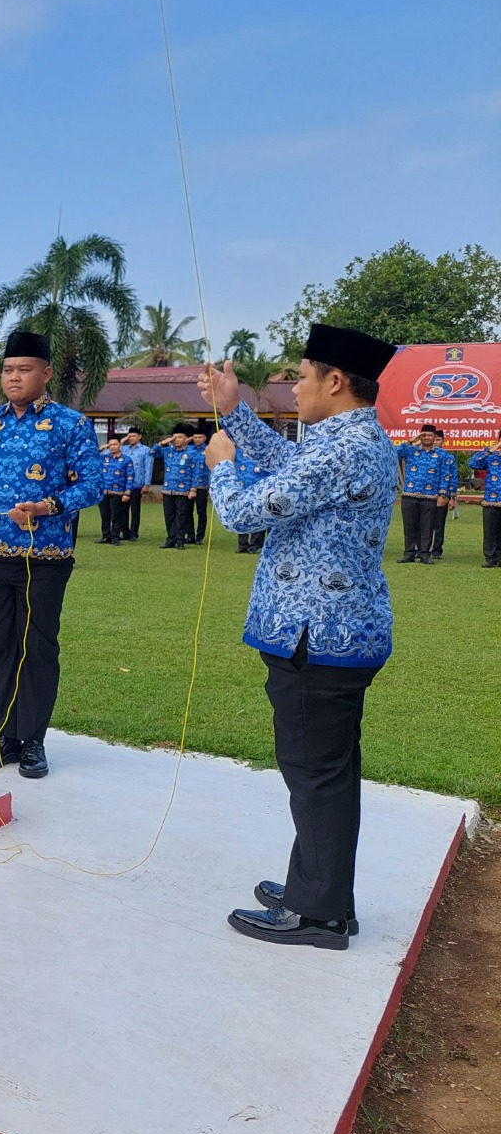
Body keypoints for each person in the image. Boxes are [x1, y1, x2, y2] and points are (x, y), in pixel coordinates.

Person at [200, 323, 398, 950]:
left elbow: (242, 512)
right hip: (334, 635)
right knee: (326, 771)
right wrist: (235, 410)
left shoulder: (343, 446)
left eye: (303, 375)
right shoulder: (349, 440)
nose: (293, 388)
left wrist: (223, 466)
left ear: (335, 382)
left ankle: (320, 914)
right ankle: (319, 889)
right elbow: (291, 469)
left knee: (315, 773)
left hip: (321, 637)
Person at [0, 331, 101, 780]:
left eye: (24, 370)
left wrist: (46, 506)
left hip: (46, 556)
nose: (14, 378)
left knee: (36, 647)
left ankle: (33, 740)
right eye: (8, 370)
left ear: (46, 373)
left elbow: (91, 485)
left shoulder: (71, 425)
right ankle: (5, 736)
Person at [394, 424, 445, 564]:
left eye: (430, 435)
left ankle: (425, 554)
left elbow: (444, 475)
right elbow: (394, 453)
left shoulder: (442, 454)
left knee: (427, 527)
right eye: (424, 435)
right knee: (410, 526)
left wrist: (443, 494)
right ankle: (409, 553)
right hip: (410, 494)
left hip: (430, 496)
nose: (427, 438)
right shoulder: (411, 451)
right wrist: (412, 440)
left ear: (435, 437)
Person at [153, 424, 197, 549]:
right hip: (168, 489)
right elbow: (151, 452)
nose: (176, 439)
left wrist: (193, 489)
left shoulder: (191, 453)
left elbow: (195, 472)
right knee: (169, 515)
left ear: (186, 439)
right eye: (175, 437)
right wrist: (163, 442)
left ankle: (180, 540)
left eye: (179, 437)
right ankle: (170, 538)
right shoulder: (167, 451)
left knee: (181, 516)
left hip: (183, 490)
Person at [470, 432, 501, 568]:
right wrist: (491, 449)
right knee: (490, 531)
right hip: (491, 500)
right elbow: (473, 463)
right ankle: (491, 557)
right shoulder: (491, 456)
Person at [97, 434, 132, 544]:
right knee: (104, 515)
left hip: (118, 492)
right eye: (110, 444)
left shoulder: (126, 460)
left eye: (115, 444)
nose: (112, 447)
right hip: (104, 491)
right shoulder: (104, 458)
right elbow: (90, 458)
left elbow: (130, 477)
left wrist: (127, 493)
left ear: (120, 445)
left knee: (116, 515)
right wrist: (100, 449)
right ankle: (106, 535)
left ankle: (115, 536)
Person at [233, 446, 268, 553]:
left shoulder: (264, 452)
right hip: (242, 489)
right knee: (241, 517)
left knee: (256, 517)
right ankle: (242, 544)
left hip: (259, 490)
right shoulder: (238, 452)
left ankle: (255, 545)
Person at [120, 428, 153, 540]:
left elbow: (148, 467)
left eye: (134, 436)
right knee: (123, 510)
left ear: (139, 437)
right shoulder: (124, 449)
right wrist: (122, 441)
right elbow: (108, 451)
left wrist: (147, 484)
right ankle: (125, 532)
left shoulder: (145, 450)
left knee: (135, 510)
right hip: (123, 484)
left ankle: (134, 533)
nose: (131, 438)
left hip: (137, 483)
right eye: (129, 436)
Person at [430, 428, 457, 560]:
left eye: (438, 439)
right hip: (426, 495)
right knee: (424, 524)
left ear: (443, 441)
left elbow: (453, 478)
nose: (435, 442)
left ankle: (437, 550)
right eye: (434, 439)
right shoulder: (425, 455)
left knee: (439, 524)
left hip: (443, 496)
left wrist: (452, 497)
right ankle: (422, 548)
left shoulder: (448, 458)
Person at [189, 423, 211, 544]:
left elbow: (212, 469)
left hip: (203, 485)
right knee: (187, 512)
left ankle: (199, 537)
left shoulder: (209, 450)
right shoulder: (188, 450)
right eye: (195, 437)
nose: (197, 439)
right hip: (188, 486)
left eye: (200, 437)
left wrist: (211, 486)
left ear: (204, 438)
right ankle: (190, 535)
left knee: (201, 512)